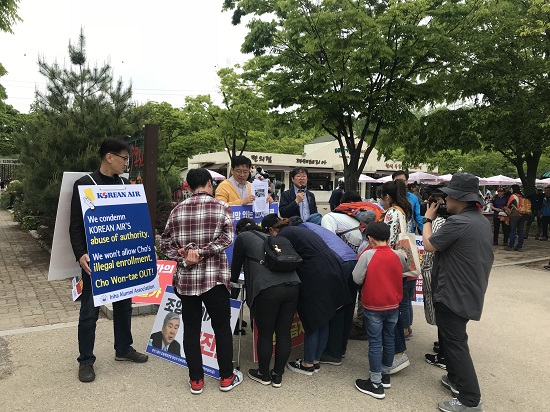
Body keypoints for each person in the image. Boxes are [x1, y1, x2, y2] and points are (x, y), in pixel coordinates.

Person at [69, 137, 148, 383]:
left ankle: (123, 348)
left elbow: (134, 221)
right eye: (125, 158)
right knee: (89, 312)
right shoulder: (84, 185)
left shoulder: (126, 186)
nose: (127, 163)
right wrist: (81, 253)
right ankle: (85, 360)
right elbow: (75, 225)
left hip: (124, 259)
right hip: (96, 261)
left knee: (124, 305)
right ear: (109, 157)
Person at [160, 168, 242, 395]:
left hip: (186, 281)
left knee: (191, 329)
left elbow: (164, 244)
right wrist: (204, 252)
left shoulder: (177, 210)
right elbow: (227, 238)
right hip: (214, 279)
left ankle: (196, 380)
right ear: (208, 183)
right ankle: (226, 377)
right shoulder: (221, 207)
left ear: (188, 185)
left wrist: (185, 255)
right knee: (222, 329)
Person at [423, 173, 493, 412]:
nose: (445, 201)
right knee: (451, 338)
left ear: (458, 198)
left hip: (453, 292)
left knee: (455, 343)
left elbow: (429, 245)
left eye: (448, 196)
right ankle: (454, 379)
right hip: (467, 290)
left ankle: (469, 399)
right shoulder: (481, 221)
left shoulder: (459, 223)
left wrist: (427, 219)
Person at [261, 214, 351, 376]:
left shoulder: (283, 236)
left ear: (271, 230)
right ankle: (315, 360)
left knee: (313, 320)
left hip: (315, 274)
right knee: (325, 318)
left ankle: (307, 363)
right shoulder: (298, 229)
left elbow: (284, 259)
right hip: (332, 269)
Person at [230, 218, 300, 388]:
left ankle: (263, 373)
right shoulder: (269, 237)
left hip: (268, 289)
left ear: (238, 231)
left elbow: (235, 268)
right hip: (293, 285)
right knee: (283, 333)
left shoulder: (243, 238)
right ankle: (277, 375)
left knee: (266, 333)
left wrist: (233, 283)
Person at [288, 217, 358, 366]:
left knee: (335, 309)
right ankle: (340, 349)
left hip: (339, 263)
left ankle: (333, 353)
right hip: (352, 260)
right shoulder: (314, 227)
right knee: (346, 307)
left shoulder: (300, 231)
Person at [352, 222, 408, 399]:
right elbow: (404, 271)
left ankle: (375, 383)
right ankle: (385, 376)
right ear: (389, 237)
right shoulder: (398, 255)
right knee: (389, 339)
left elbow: (356, 278)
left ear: (369, 238)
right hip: (393, 305)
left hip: (373, 306)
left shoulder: (367, 255)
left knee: (375, 342)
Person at [379, 179, 413, 373]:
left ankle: (398, 353)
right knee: (395, 310)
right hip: (399, 267)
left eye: (382, 198)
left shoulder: (392, 212)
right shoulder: (403, 211)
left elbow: (388, 241)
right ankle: (398, 352)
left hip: (390, 267)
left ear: (388, 196)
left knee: (391, 313)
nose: (381, 202)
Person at [421, 193, 449, 370]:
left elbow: (429, 245)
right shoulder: (448, 222)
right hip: (436, 270)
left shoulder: (438, 223)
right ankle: (443, 344)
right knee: (439, 310)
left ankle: (444, 353)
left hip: (434, 270)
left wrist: (426, 220)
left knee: (439, 309)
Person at [392, 170, 424, 235]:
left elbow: (419, 217)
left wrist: (425, 233)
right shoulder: (389, 196)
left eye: (402, 181)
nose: (399, 183)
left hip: (408, 235)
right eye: (396, 181)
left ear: (406, 182)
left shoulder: (413, 198)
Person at [505, 184, 528, 251]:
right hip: (522, 215)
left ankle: (511, 245)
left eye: (511, 189)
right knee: (520, 231)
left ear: (514, 189)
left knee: (513, 230)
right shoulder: (522, 196)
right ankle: (519, 246)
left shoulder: (513, 196)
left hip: (514, 215)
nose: (510, 190)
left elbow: (508, 205)